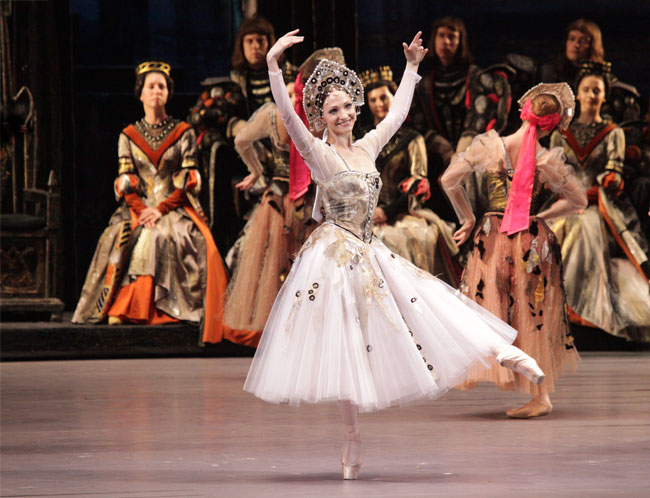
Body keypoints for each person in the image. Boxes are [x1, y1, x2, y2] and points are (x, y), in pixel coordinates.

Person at [244, 29, 546, 480]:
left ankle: (502, 350)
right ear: (321, 118)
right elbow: (289, 120)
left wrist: (410, 69)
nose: (344, 114)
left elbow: (399, 115)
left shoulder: (367, 147)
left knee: (427, 303)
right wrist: (272, 67)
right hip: (334, 258)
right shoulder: (320, 155)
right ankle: (351, 436)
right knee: (344, 345)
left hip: (369, 249)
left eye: (348, 106)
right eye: (333, 110)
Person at [441, 83, 587, 418]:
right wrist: (543, 216)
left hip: (493, 238)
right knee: (530, 313)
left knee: (497, 308)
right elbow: (578, 200)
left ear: (524, 111)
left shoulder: (490, 147)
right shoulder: (544, 160)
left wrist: (467, 217)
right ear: (550, 123)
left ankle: (539, 395)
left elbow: (450, 180)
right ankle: (539, 393)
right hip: (529, 240)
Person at [72, 61, 235, 345]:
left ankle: (160, 307)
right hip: (140, 205)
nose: (156, 91)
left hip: (174, 204)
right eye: (151, 86)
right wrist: (142, 210)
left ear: (168, 93)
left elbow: (188, 178)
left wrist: (160, 209)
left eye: (162, 86)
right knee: (121, 235)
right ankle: (123, 306)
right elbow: (126, 179)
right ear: (141, 93)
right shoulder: (128, 135)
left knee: (172, 236)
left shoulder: (183, 131)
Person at [550, 62, 650, 343]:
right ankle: (552, 309)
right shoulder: (560, 132)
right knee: (551, 229)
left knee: (585, 227)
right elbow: (551, 173)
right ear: (577, 95)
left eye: (597, 90)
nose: (592, 95)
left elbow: (615, 174)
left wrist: (609, 183)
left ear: (604, 96)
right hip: (566, 203)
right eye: (587, 90)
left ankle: (580, 311)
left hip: (600, 209)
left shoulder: (613, 133)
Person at [223, 67, 315, 336]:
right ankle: (280, 330)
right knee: (275, 261)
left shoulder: (295, 115)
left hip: (303, 198)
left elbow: (242, 141)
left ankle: (300, 325)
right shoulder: (293, 116)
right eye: (285, 95)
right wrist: (257, 170)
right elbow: (240, 140)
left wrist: (256, 170)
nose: (290, 101)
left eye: (293, 95)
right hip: (282, 198)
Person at [359, 65, 460, 284]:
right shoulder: (362, 138)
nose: (379, 104)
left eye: (384, 98)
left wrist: (387, 210)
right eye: (374, 100)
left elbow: (417, 184)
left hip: (404, 212)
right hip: (365, 213)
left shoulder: (412, 139)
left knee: (409, 239)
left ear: (394, 98)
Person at [409, 16, 512, 220]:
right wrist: (445, 150)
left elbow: (479, 118)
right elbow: (417, 125)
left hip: (474, 152)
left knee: (473, 175)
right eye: (441, 36)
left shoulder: (476, 77)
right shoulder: (424, 82)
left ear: (460, 42)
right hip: (437, 156)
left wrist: (460, 155)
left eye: (452, 37)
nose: (446, 42)